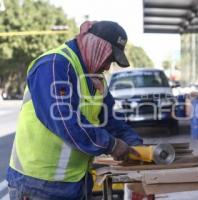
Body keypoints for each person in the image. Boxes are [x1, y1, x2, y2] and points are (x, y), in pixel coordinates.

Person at [6, 20, 143, 200]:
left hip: (76, 182)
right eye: (109, 58)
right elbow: (65, 122)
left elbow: (109, 120)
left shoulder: (97, 79)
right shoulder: (54, 65)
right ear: (95, 45)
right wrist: (112, 145)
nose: (108, 67)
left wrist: (137, 145)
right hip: (38, 184)